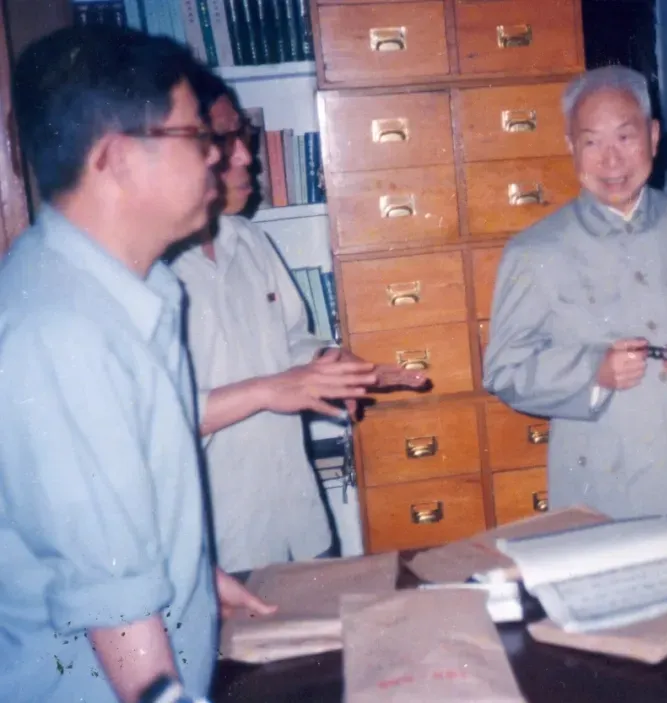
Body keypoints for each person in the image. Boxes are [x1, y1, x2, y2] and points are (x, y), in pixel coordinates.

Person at [0, 26, 273, 703]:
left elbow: (110, 510)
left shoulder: (133, 290)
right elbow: (114, 605)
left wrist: (192, 574)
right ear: (119, 158)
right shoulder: (62, 331)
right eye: (197, 136)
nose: (221, 155)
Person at [169, 68, 427, 574]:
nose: (246, 157)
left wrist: (336, 366)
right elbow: (154, 421)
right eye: (223, 140)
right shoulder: (149, 271)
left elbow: (289, 339)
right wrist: (269, 390)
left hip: (299, 521)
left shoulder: (249, 241)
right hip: (221, 547)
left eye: (242, 137)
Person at [483, 65, 667, 519]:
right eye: (592, 142)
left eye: (624, 137)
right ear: (571, 147)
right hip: (602, 494)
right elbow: (504, 371)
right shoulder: (535, 251)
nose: (610, 161)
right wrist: (593, 372)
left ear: (653, 137)